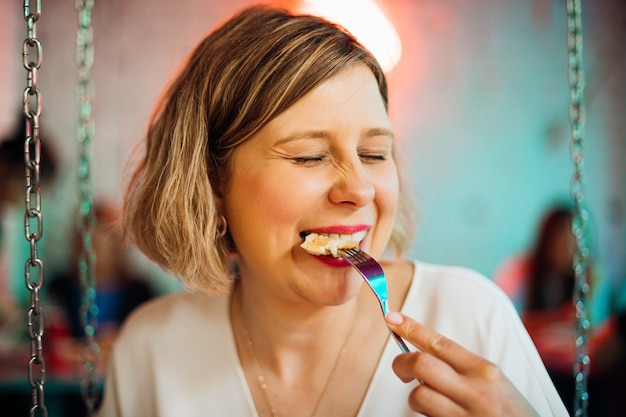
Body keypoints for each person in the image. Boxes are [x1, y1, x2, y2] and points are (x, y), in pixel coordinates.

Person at [97, 5, 568, 416]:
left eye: (374, 154)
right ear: (212, 183)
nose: (360, 190)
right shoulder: (150, 352)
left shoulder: (469, 317)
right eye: (309, 156)